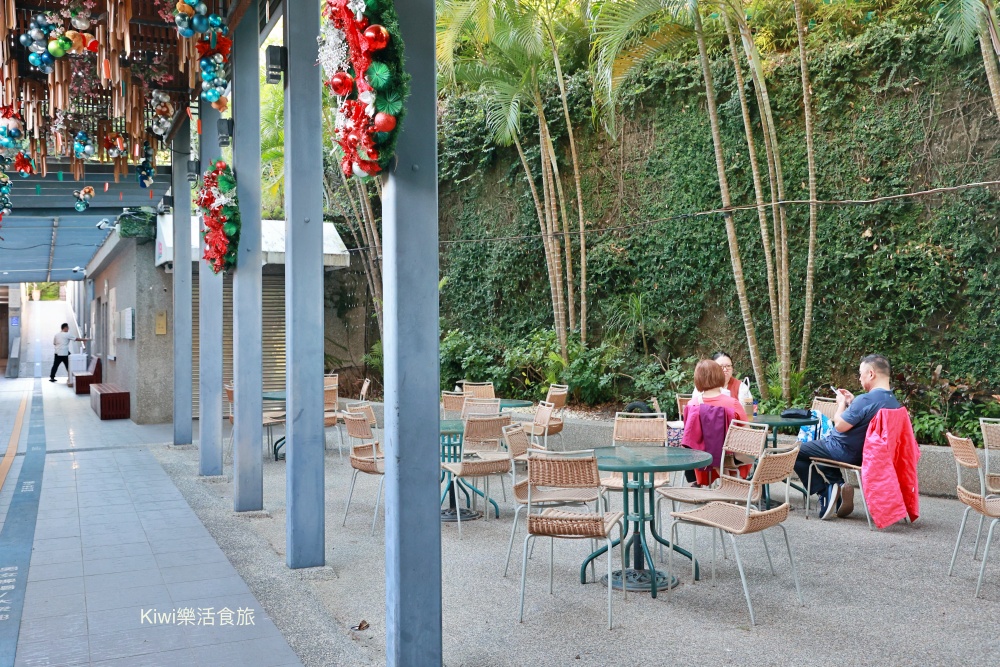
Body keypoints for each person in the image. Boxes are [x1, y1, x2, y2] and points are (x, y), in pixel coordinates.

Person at [794, 354, 901, 520]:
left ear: (871, 374)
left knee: (794, 452)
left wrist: (841, 404)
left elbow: (840, 425)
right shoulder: (894, 402)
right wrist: (853, 402)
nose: (859, 378)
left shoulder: (866, 399)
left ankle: (825, 492)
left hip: (844, 450)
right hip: (872, 456)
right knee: (819, 450)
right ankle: (839, 488)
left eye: (860, 374)